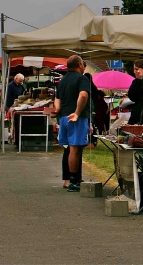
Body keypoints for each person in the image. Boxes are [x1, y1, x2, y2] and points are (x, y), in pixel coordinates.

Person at [53, 55, 90, 192]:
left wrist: (57, 110)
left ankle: (70, 179)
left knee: (69, 149)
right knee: (75, 149)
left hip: (63, 118)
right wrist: (78, 112)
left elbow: (57, 98)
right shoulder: (82, 78)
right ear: (80, 64)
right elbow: (83, 95)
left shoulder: (62, 81)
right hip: (75, 118)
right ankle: (74, 180)